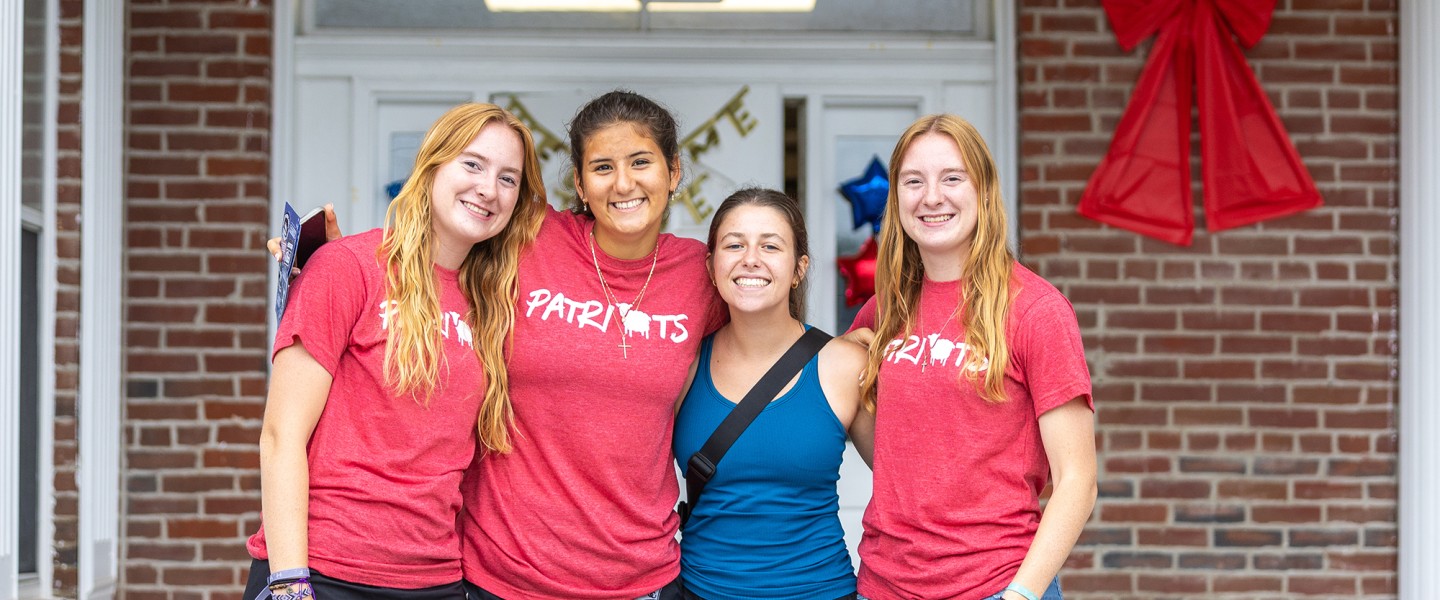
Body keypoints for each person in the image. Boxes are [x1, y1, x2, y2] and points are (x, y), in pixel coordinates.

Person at [243, 102, 547, 600]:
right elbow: (280, 437)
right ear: (431, 167)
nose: (488, 189)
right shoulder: (348, 267)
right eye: (472, 164)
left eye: (508, 178)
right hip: (321, 570)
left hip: (434, 578)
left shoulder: (494, 303)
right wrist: (290, 583)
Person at [457, 90, 727, 600]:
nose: (623, 183)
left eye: (641, 162)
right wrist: (322, 259)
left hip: (639, 578)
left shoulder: (702, 273)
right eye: (602, 167)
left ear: (673, 173)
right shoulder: (528, 238)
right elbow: (436, 251)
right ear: (580, 184)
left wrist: (874, 326)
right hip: (503, 576)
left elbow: (775, 330)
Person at [846, 114, 1096, 600]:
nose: (932, 197)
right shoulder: (885, 310)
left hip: (994, 586)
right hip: (883, 585)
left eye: (952, 178)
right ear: (896, 198)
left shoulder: (1035, 310)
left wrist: (1022, 594)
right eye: (913, 181)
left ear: (983, 192)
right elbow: (884, 439)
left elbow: (1077, 480)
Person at [672, 188, 875, 600]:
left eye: (770, 245)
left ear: (799, 268)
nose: (751, 258)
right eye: (734, 245)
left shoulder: (843, 365)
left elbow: (911, 485)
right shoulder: (683, 364)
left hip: (822, 591)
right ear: (711, 266)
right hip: (700, 591)